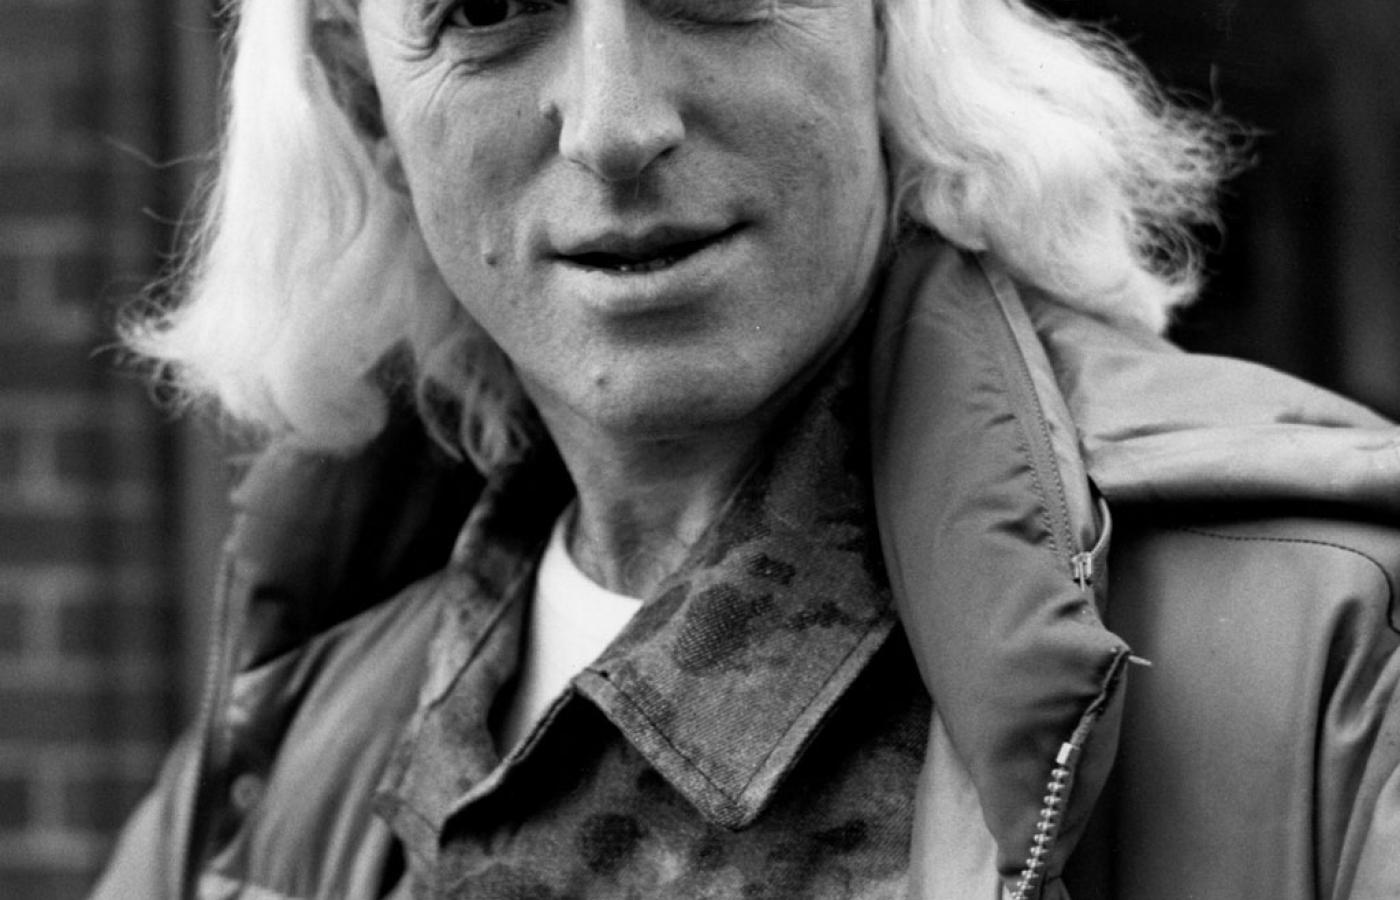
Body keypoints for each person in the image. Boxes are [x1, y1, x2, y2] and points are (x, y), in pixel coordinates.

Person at [92, 0, 1400, 897]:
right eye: (487, 8)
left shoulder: (1331, 640)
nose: (614, 126)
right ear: (364, 97)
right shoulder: (280, 753)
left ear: (892, 27)